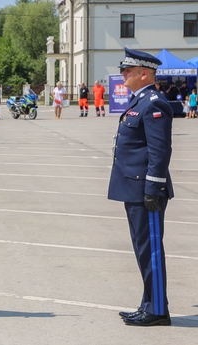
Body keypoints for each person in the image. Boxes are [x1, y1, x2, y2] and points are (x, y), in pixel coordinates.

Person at [109, 47, 174, 327]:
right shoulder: (140, 101)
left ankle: (158, 310)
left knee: (150, 250)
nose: (123, 74)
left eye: (128, 70)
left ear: (144, 73)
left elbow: (159, 152)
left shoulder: (154, 103)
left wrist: (152, 189)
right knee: (142, 249)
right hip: (134, 188)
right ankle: (149, 303)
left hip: (145, 190)